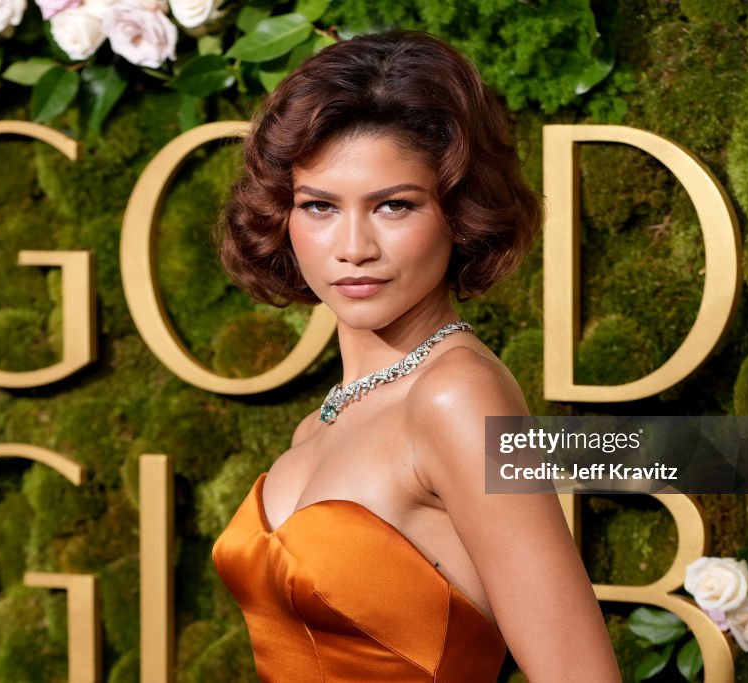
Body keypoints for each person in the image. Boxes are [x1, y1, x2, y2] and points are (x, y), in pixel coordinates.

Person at [212, 30, 619, 682]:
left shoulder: (458, 396)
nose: (353, 247)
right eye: (318, 206)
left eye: (393, 205)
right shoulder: (318, 423)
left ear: (459, 211)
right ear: (283, 216)